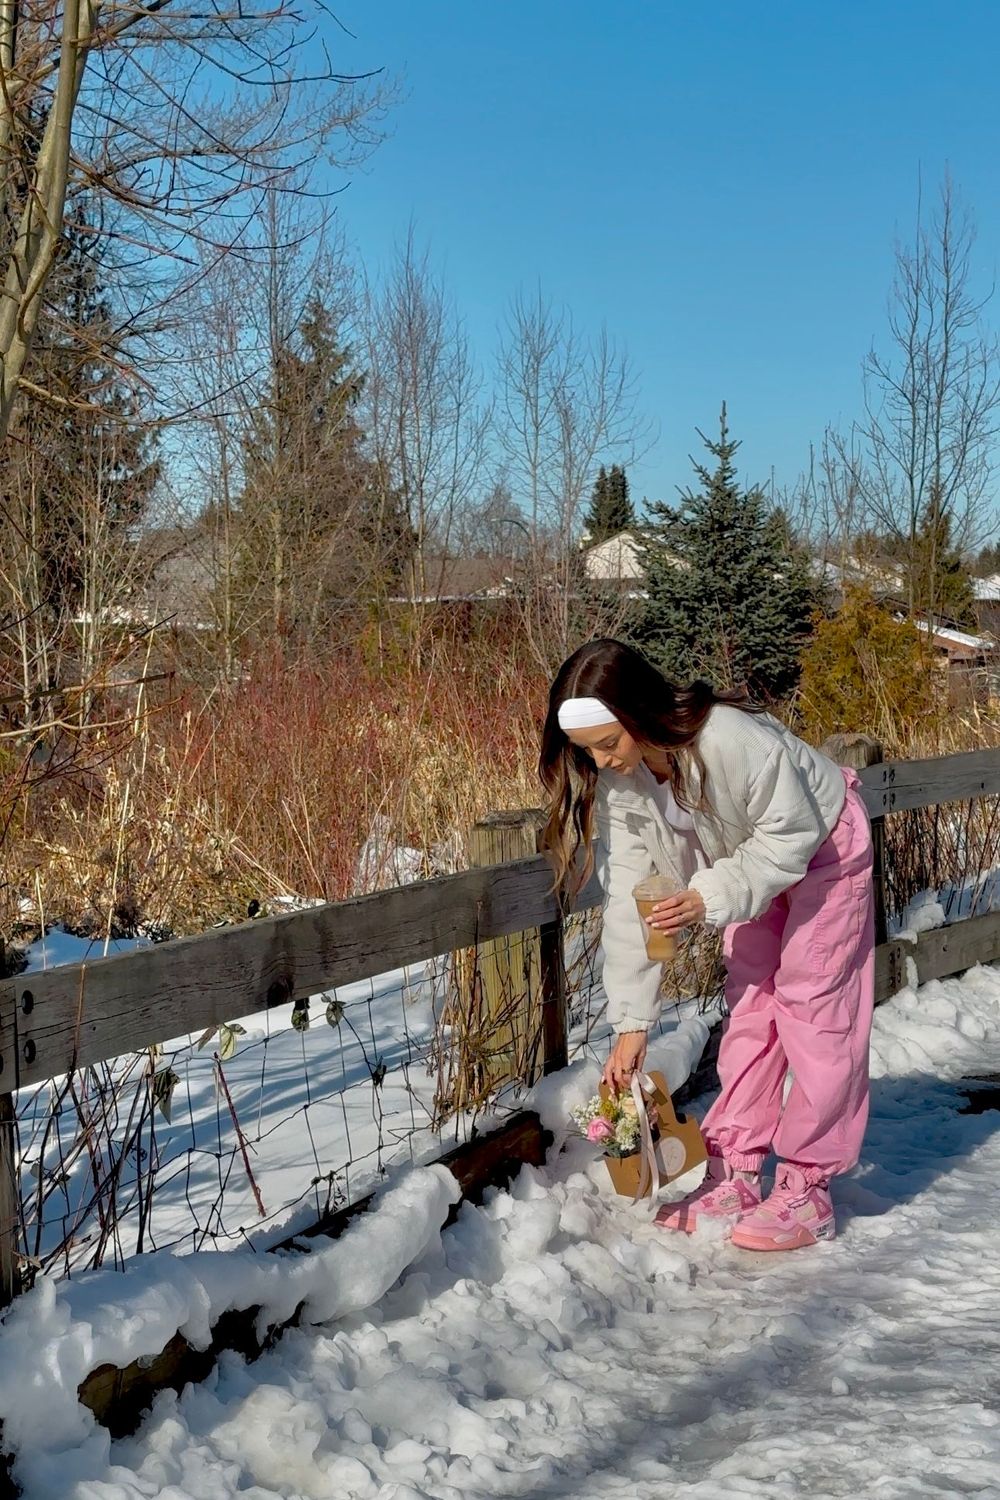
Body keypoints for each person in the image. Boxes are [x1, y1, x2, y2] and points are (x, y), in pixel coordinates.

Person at [539, 638, 874, 1252]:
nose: (602, 760)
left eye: (608, 742)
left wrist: (706, 896)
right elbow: (632, 899)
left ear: (638, 712)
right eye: (587, 751)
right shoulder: (622, 783)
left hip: (823, 848)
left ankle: (808, 1185)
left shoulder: (728, 738)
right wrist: (632, 1024)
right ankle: (736, 1168)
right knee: (750, 1010)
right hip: (747, 872)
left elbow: (791, 833)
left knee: (815, 1010)